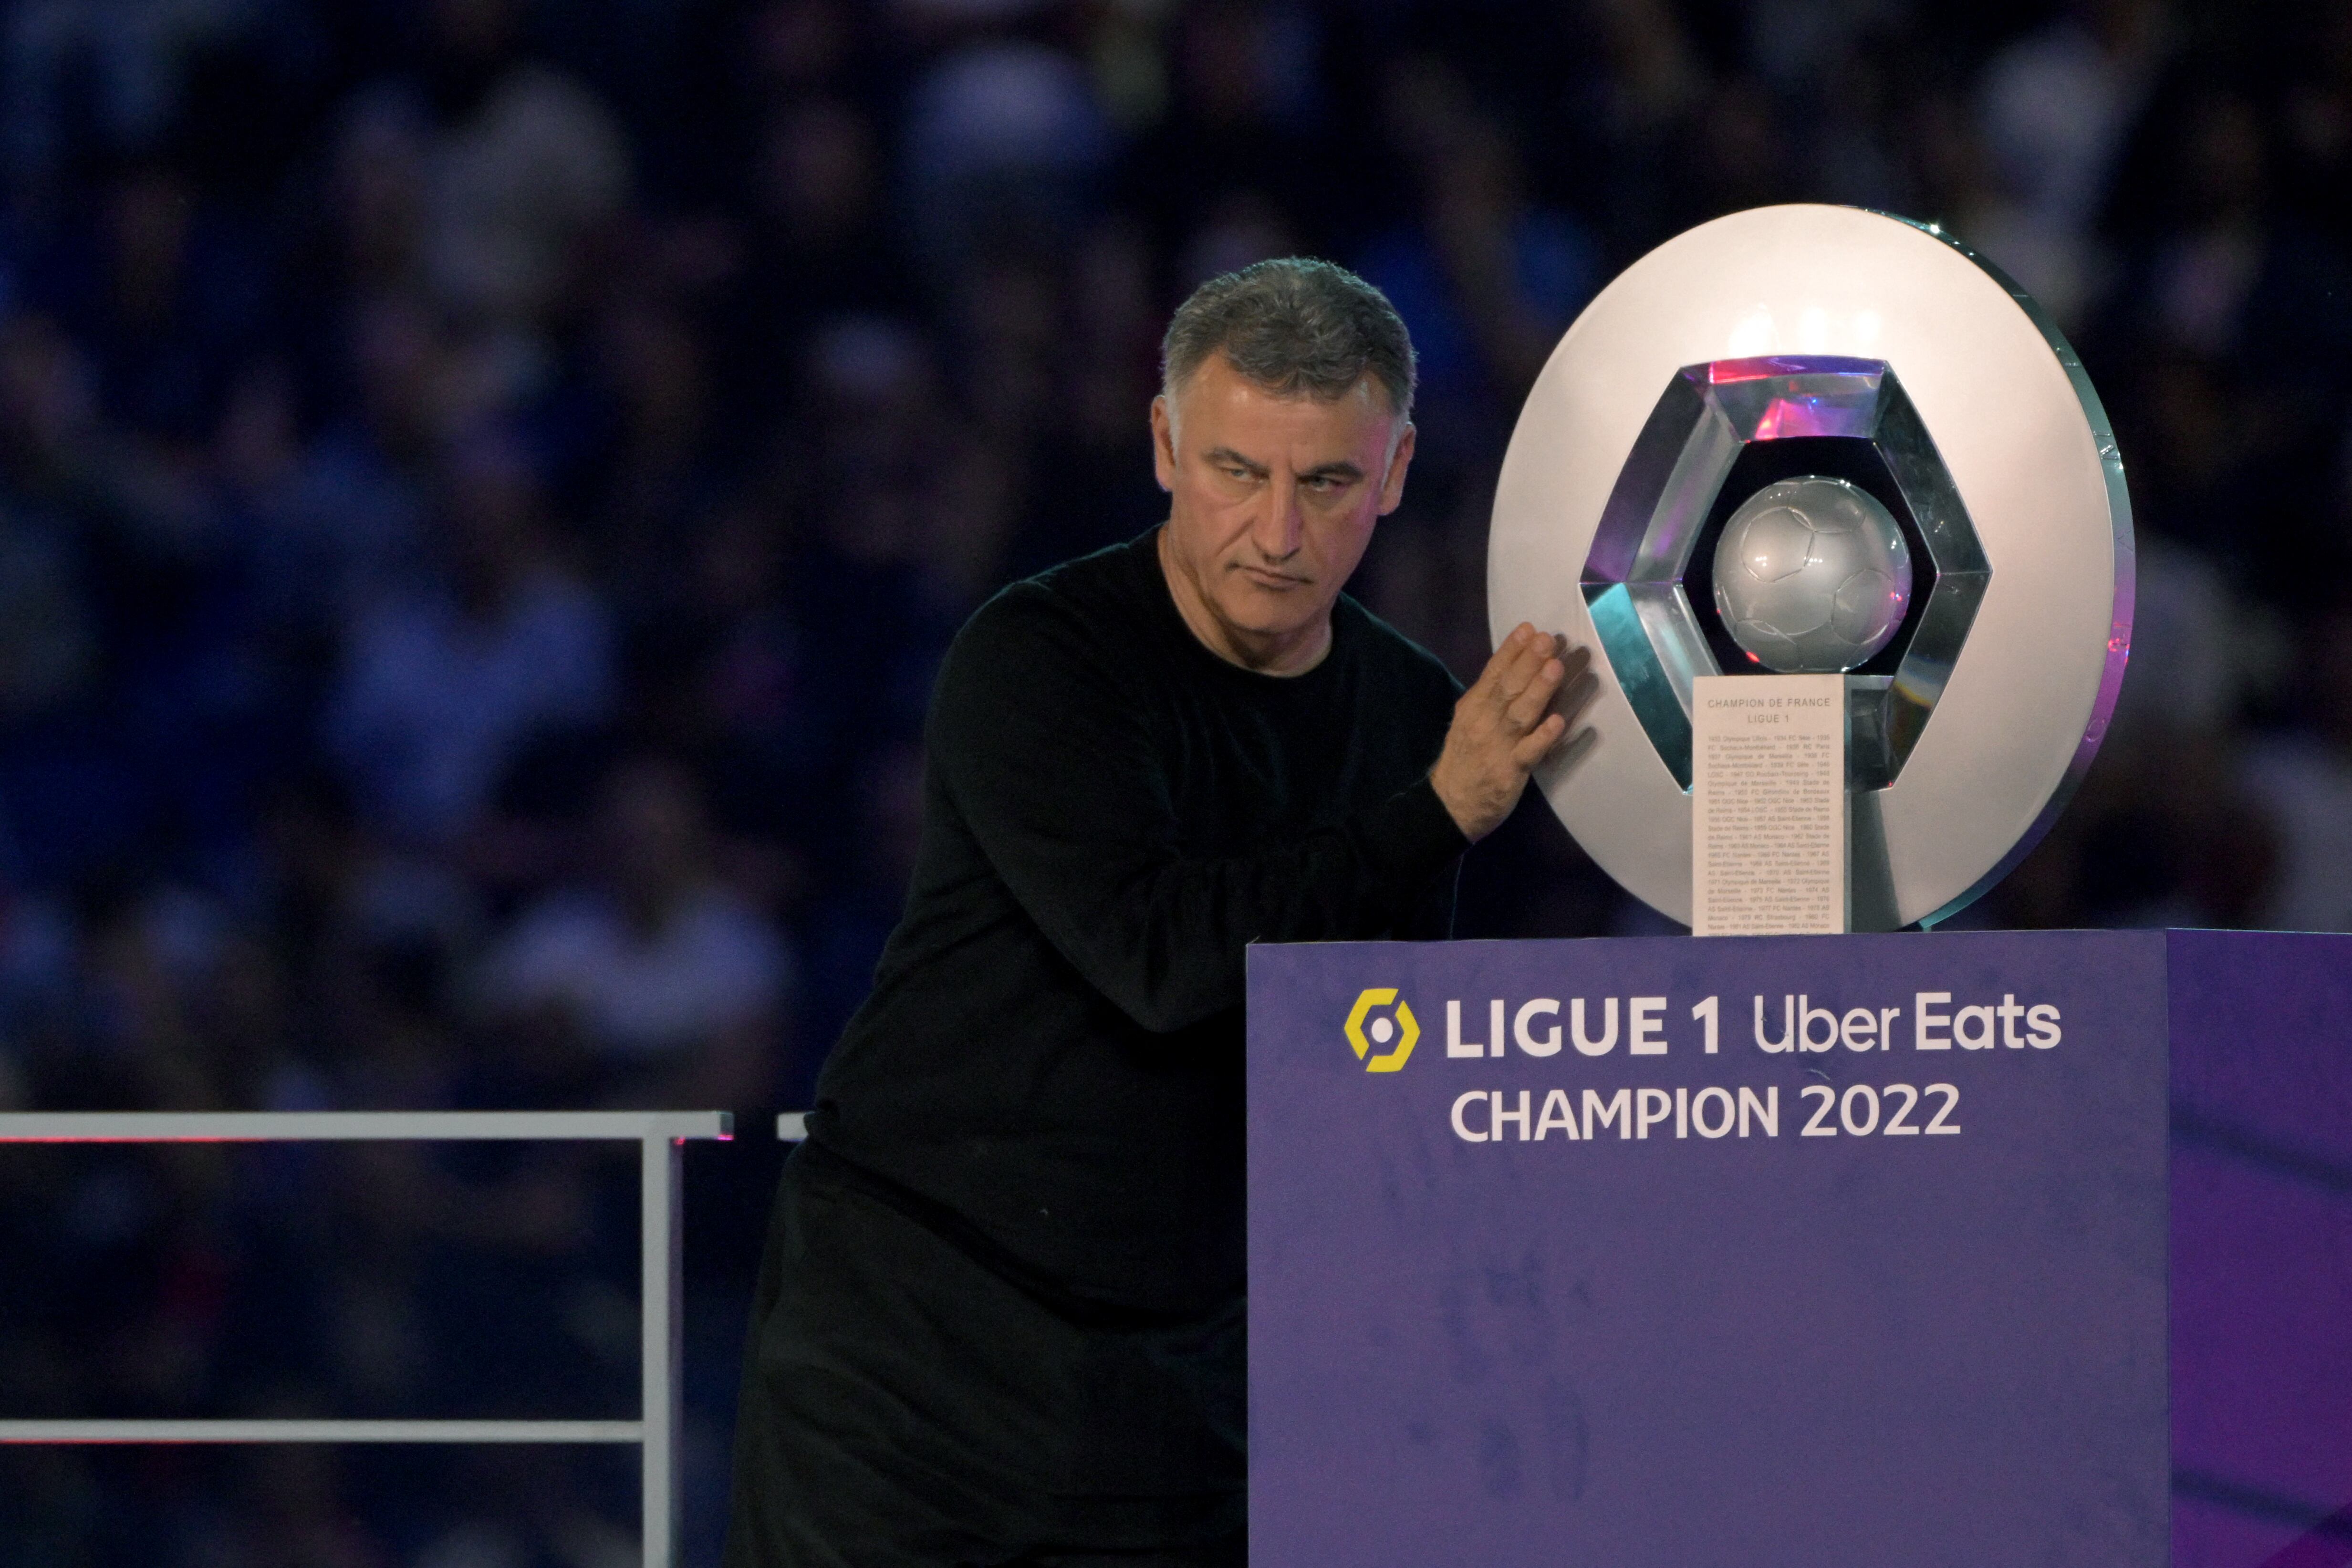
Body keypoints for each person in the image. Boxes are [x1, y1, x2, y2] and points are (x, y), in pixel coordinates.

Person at [723, 257, 1598, 1567]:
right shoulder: (1038, 656)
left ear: (1398, 471)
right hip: (910, 1346)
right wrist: (1432, 812)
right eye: (1239, 472)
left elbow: (1375, 1039)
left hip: (1185, 1371)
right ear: (1163, 446)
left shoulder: (1416, 716)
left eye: (1327, 483)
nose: (1279, 534)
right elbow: (1159, 960)